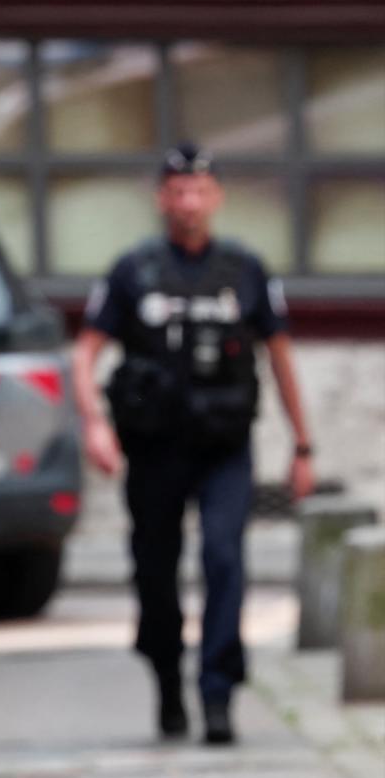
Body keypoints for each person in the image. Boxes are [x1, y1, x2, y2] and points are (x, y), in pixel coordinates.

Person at [71, 143, 315, 746]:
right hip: (154, 450)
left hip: (223, 447)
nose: (189, 203)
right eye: (178, 191)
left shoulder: (245, 270)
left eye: (200, 190)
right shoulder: (134, 271)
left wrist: (304, 445)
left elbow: (280, 358)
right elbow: (84, 355)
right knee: (156, 573)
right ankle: (165, 677)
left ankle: (217, 691)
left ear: (217, 197)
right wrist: (95, 423)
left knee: (225, 559)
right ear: (161, 199)